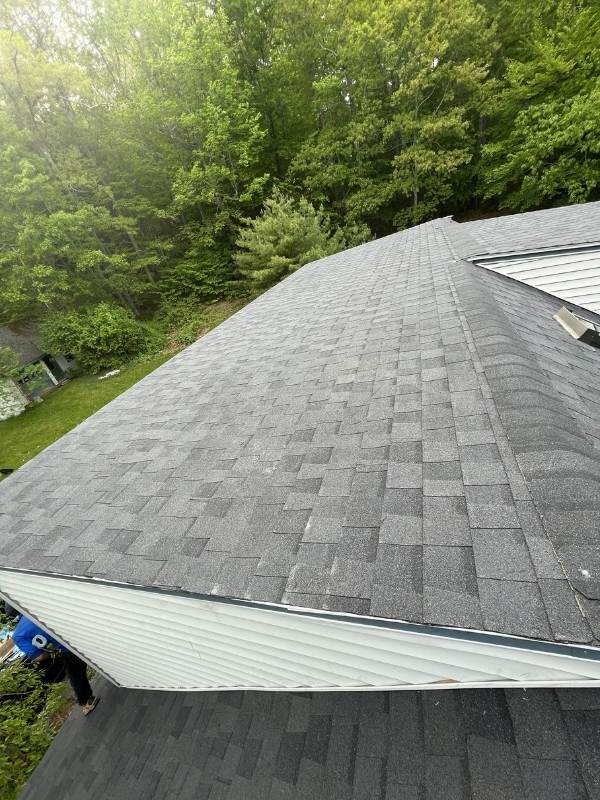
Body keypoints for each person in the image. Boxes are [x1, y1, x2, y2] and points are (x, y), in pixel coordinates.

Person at [11, 615, 99, 716]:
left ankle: (88, 701)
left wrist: (48, 650)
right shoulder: (34, 610)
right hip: (80, 632)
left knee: (75, 674)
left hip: (66, 647)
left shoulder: (18, 636)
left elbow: (39, 656)